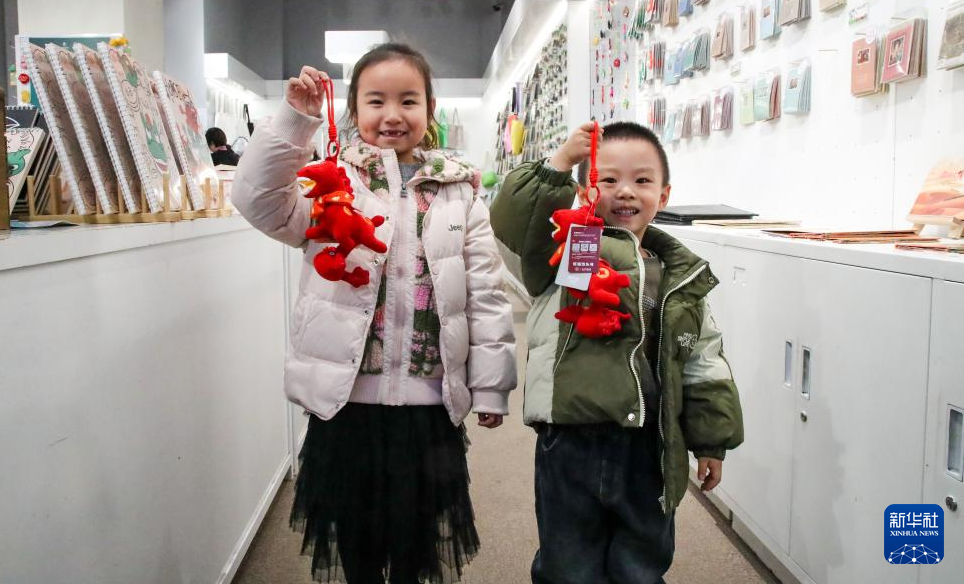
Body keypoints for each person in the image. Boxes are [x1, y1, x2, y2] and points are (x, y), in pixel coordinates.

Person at [232, 43, 517, 584]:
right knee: (356, 538)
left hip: (429, 404)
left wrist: (490, 387)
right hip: (346, 401)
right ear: (354, 109)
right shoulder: (331, 181)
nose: (392, 115)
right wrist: (295, 122)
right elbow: (258, 201)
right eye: (376, 100)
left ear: (430, 109)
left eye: (408, 100)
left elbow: (485, 293)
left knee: (415, 540)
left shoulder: (460, 193)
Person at [490, 121, 744, 584]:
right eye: (608, 179)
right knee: (568, 565)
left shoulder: (680, 275)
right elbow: (512, 220)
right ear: (586, 189)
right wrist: (559, 164)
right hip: (570, 439)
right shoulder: (560, 251)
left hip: (651, 444)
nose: (625, 191)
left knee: (641, 564)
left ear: (664, 196)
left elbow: (703, 362)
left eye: (641, 180)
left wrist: (712, 441)